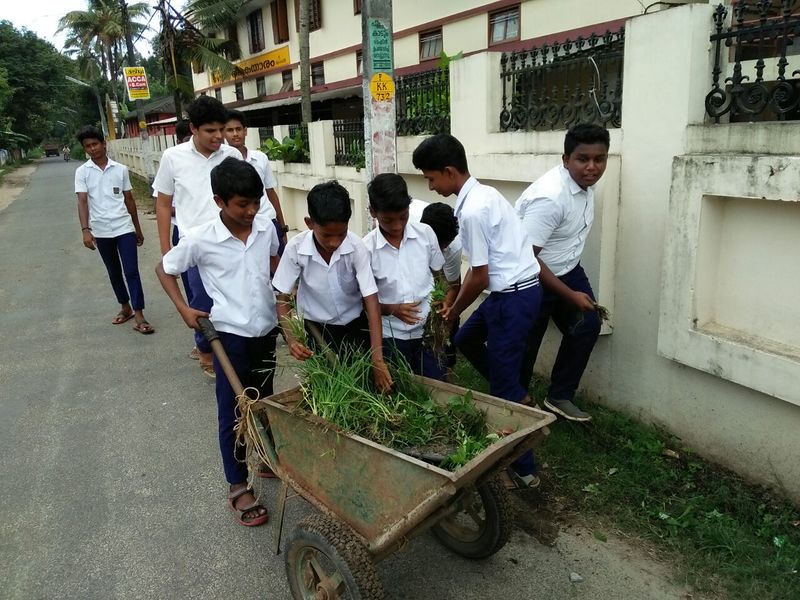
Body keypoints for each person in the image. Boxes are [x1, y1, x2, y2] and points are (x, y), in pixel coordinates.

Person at [155, 157, 280, 527]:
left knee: (265, 399)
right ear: (219, 201)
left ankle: (265, 456)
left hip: (266, 331)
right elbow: (164, 268)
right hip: (228, 337)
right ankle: (237, 484)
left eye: (256, 202)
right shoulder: (200, 238)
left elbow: (274, 264)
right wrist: (184, 309)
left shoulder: (265, 227)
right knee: (234, 410)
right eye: (243, 204)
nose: (252, 211)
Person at [412, 133, 541, 488]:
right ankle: (513, 389)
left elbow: (480, 276)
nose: (431, 186)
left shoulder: (472, 211)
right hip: (509, 293)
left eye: (431, 178)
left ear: (449, 171)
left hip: (513, 298)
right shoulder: (484, 195)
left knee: (502, 385)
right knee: (466, 339)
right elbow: (477, 269)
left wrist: (453, 311)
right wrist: (453, 302)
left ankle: (523, 470)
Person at [515, 124, 609, 422]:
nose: (592, 167)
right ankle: (516, 406)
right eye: (583, 159)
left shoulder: (584, 185)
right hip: (530, 277)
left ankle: (560, 395)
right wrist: (569, 295)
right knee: (527, 345)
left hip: (567, 269)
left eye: (599, 159)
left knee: (587, 324)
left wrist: (569, 287)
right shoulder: (551, 197)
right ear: (566, 159)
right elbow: (527, 257)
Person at [153, 96, 243, 377]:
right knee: (202, 303)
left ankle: (232, 347)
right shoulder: (173, 157)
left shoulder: (232, 156)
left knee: (234, 299)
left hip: (231, 241)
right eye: (210, 130)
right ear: (193, 128)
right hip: (193, 245)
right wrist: (167, 249)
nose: (218, 136)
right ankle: (205, 350)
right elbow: (163, 204)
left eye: (221, 129)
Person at [272, 181, 392, 392]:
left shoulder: (356, 247)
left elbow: (371, 301)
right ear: (309, 223)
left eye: (341, 234)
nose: (335, 243)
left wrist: (378, 359)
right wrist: (291, 339)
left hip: (355, 326)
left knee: (364, 383)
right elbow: (282, 298)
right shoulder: (296, 249)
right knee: (327, 387)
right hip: (317, 330)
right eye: (327, 235)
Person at [362, 173, 447, 379]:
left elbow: (439, 275)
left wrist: (443, 299)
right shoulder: (366, 250)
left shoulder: (425, 234)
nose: (397, 226)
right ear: (373, 211)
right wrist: (391, 309)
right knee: (399, 387)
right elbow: (363, 301)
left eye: (403, 217)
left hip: (428, 332)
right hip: (391, 335)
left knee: (436, 385)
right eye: (388, 220)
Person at [73, 125, 154, 335]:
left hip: (124, 227)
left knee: (131, 271)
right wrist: (85, 230)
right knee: (113, 271)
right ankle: (125, 307)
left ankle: (139, 313)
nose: (92, 149)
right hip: (101, 230)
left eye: (95, 144)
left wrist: (137, 229)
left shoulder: (120, 169)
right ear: (85, 149)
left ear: (104, 144)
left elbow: (129, 200)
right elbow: (82, 201)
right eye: (88, 146)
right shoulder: (82, 172)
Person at [223, 110, 289, 254]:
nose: (235, 134)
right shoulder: (221, 164)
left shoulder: (260, 158)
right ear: (223, 133)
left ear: (245, 131)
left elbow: (271, 193)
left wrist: (283, 227)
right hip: (242, 226)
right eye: (230, 130)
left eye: (238, 129)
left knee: (279, 264)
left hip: (268, 220)